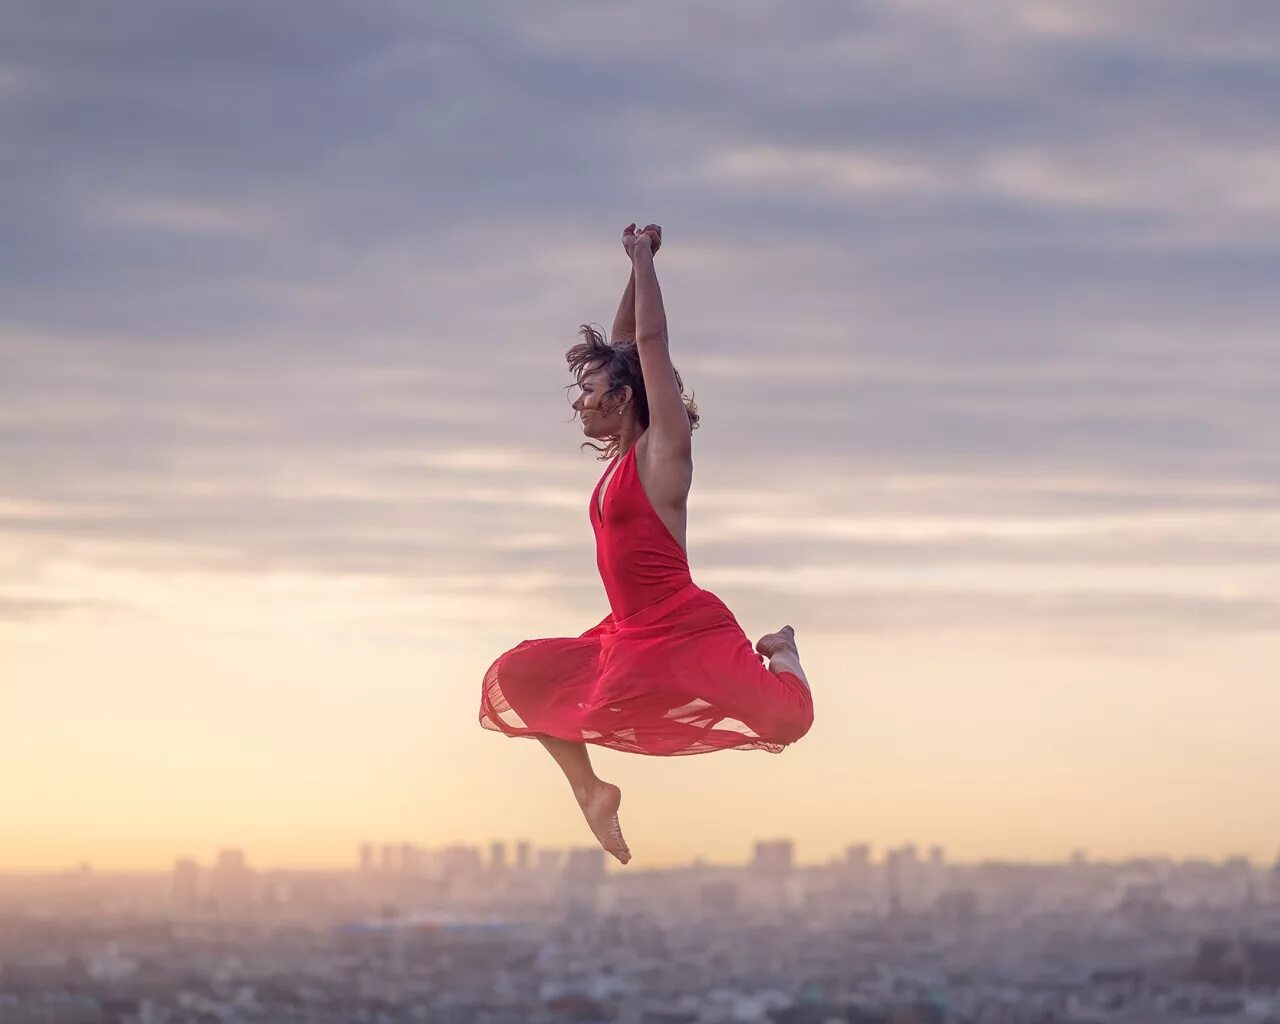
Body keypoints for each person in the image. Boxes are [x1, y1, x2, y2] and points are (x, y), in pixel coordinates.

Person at [479, 223, 813, 865]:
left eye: (590, 389)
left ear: (625, 396)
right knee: (519, 676)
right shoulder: (622, 458)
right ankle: (591, 791)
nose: (581, 402)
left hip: (683, 628)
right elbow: (629, 343)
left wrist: (642, 258)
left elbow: (649, 345)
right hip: (629, 633)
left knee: (786, 724)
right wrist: (635, 271)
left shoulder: (663, 455)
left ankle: (785, 652)